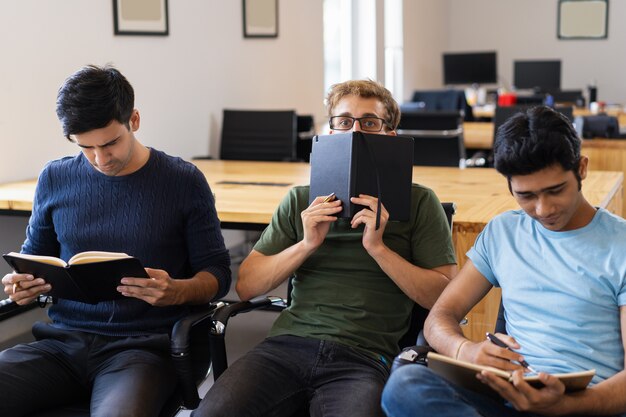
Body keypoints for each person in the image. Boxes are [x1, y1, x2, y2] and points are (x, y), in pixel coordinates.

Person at [192, 79, 457, 417]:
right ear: (330, 133)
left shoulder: (419, 202)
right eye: (344, 122)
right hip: (286, 346)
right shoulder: (301, 200)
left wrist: (379, 249)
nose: (354, 132)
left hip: (364, 357)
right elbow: (247, 285)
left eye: (369, 123)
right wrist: (307, 243)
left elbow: (444, 299)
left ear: (390, 136)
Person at [0, 64, 231, 417]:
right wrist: (22, 285)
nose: (99, 159)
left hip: (142, 348)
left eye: (110, 143)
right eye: (85, 148)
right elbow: (36, 259)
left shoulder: (183, 181)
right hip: (63, 344)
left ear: (134, 120)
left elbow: (217, 274)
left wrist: (177, 291)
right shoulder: (55, 177)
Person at [381, 106, 626, 417]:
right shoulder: (503, 232)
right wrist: (465, 351)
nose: (542, 209)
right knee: (406, 387)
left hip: (585, 405)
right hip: (505, 397)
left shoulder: (620, 245)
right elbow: (439, 316)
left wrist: (566, 406)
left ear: (581, 168)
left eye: (555, 190)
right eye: (526, 196)